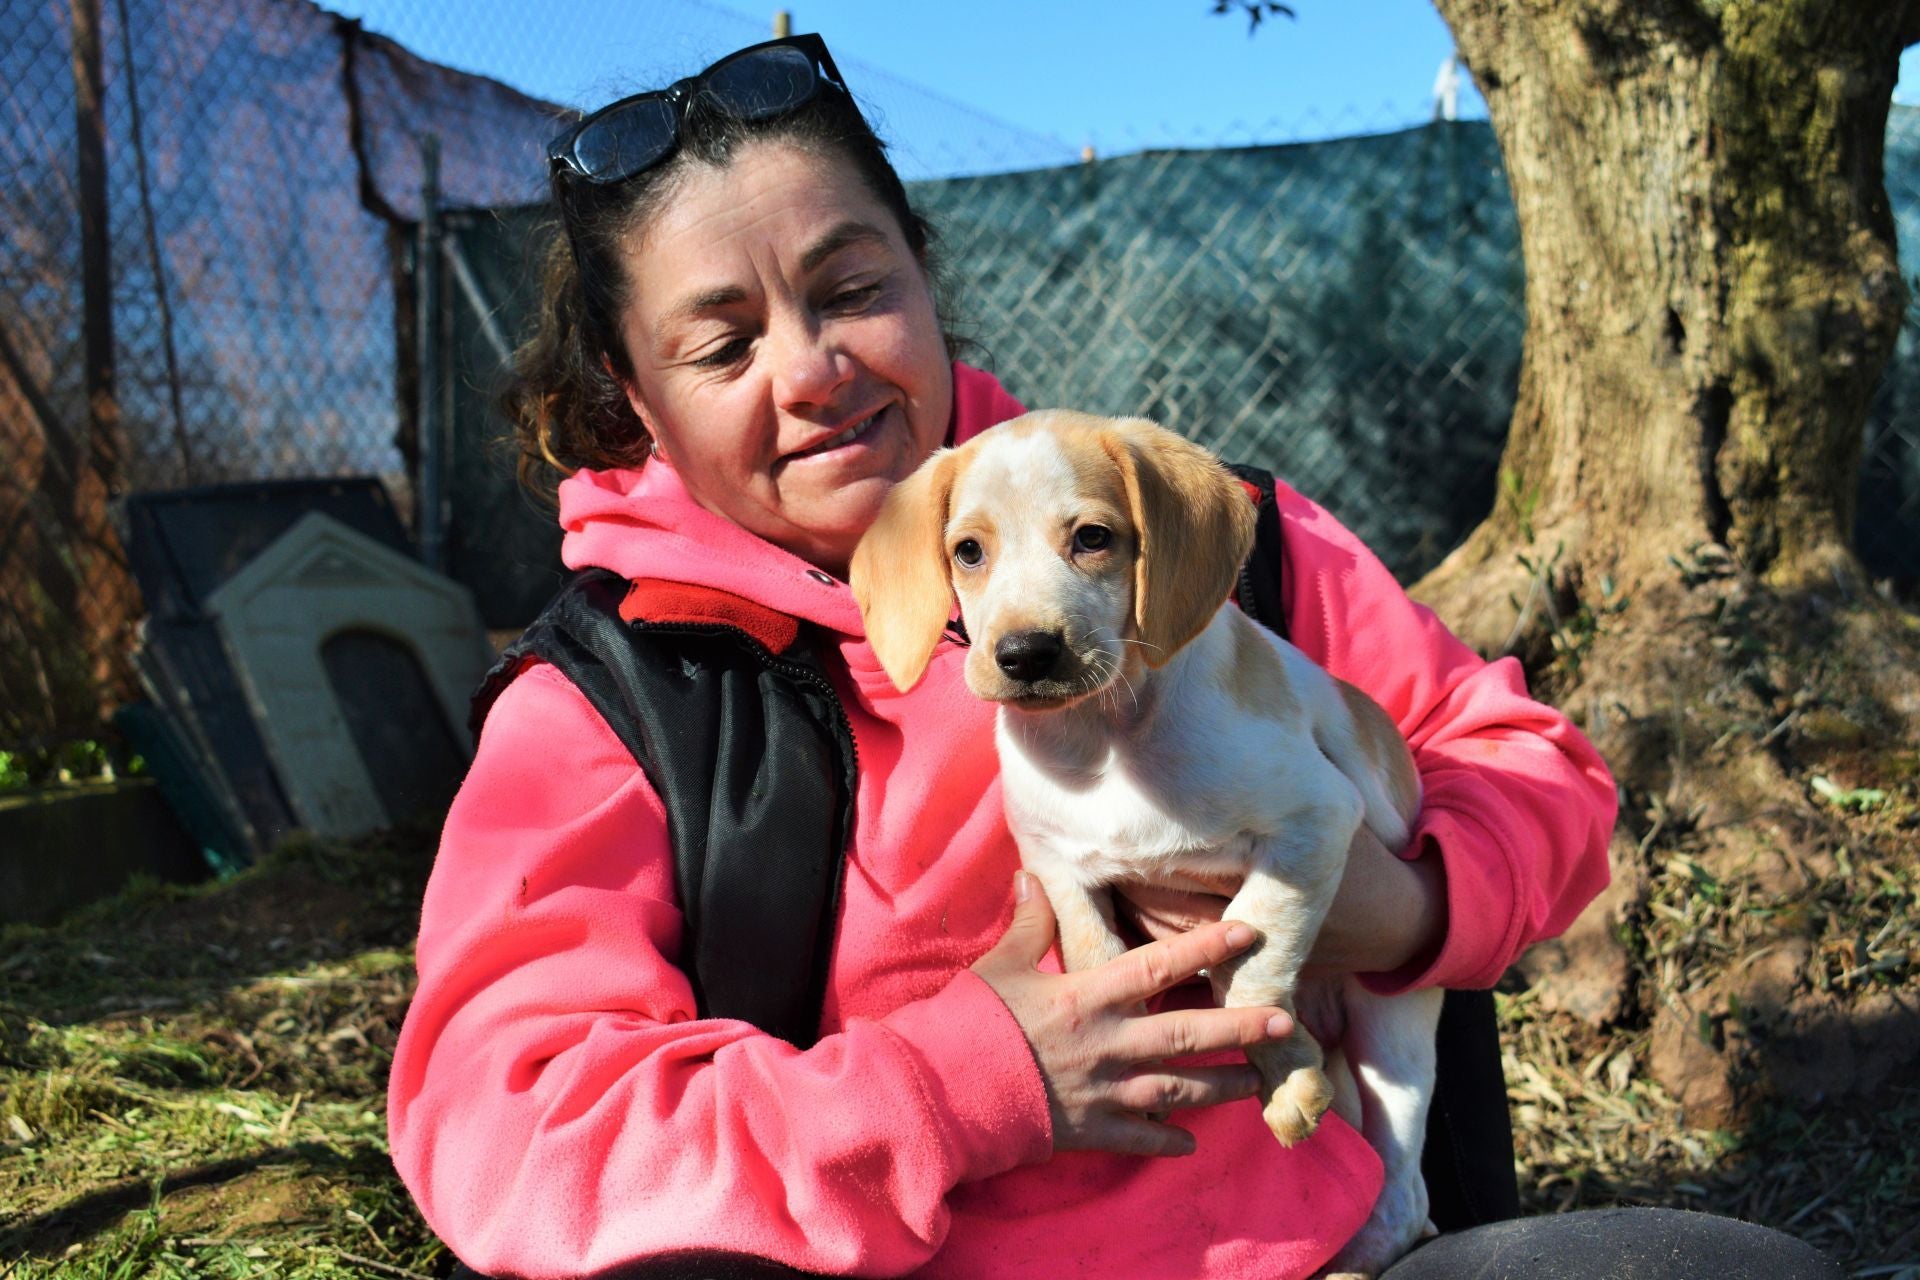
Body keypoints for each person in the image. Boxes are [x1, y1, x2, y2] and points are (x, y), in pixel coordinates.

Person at [386, 33, 1840, 1280]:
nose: (814, 367)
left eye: (850, 287)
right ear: (631, 403)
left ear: (926, 277)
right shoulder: (616, 705)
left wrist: (1390, 912)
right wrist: (962, 1087)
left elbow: (1539, 775)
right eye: (723, 346)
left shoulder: (1208, 535)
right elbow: (506, 1123)